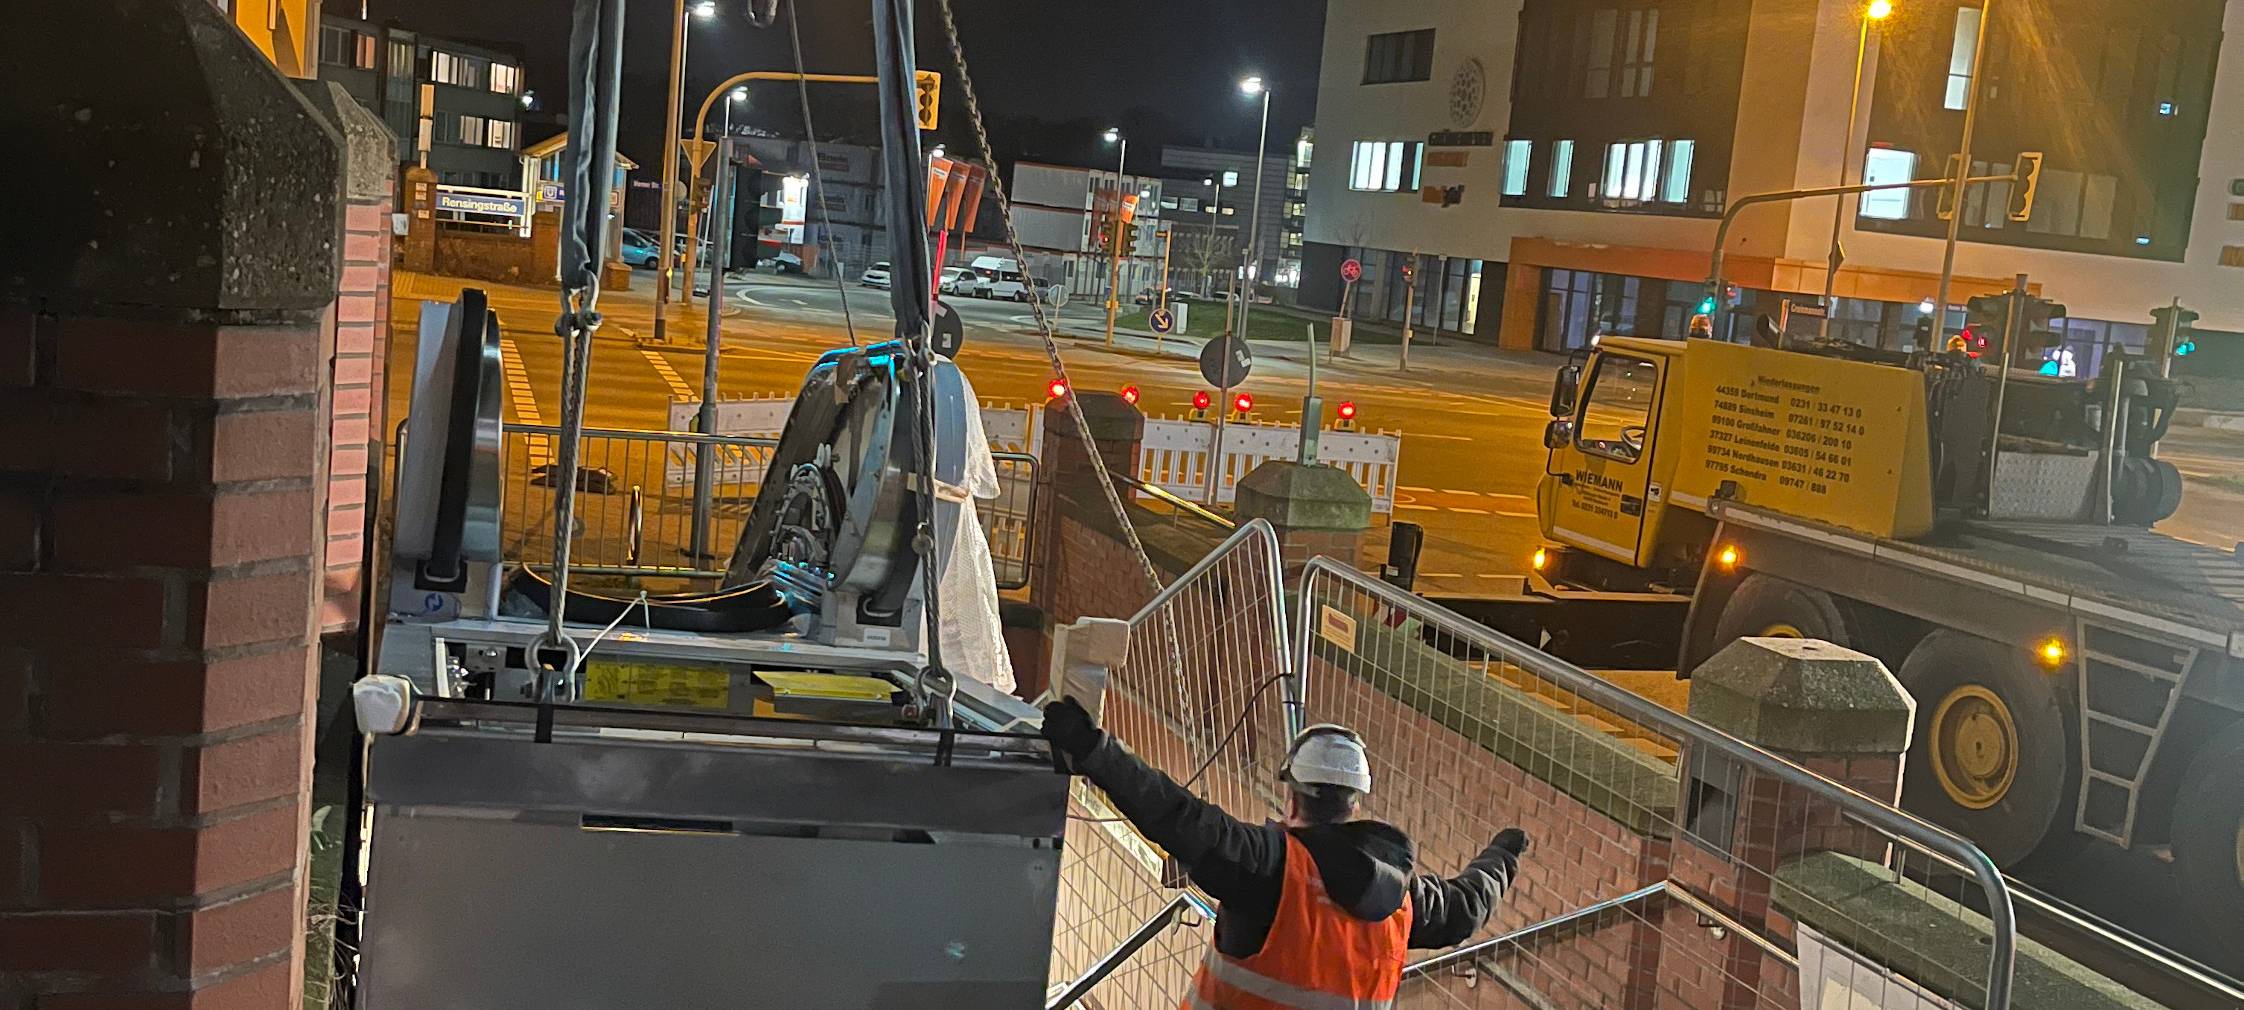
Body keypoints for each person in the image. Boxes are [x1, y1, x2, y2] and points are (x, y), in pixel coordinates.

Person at [1041, 698, 1527, 1009]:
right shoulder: (1404, 900)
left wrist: (1094, 751)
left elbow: (1179, 816)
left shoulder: (1270, 868)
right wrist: (1503, 854)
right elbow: (1467, 906)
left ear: (1292, 797)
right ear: (1355, 802)